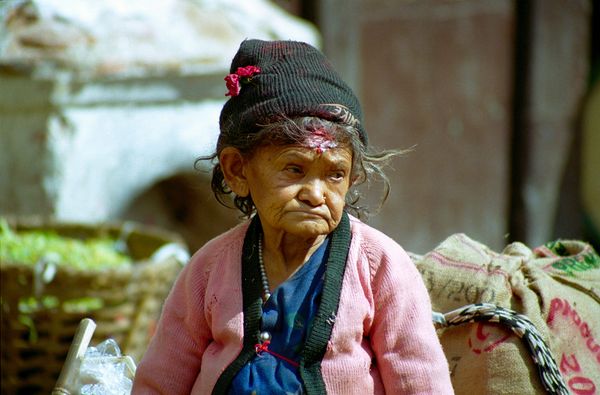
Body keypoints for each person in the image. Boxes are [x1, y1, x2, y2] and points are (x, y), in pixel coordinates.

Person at [132, 39, 454, 394]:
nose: (316, 194)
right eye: (294, 169)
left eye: (334, 174)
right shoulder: (208, 269)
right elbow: (161, 380)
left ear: (352, 178)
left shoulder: (379, 265)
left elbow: (419, 378)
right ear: (238, 170)